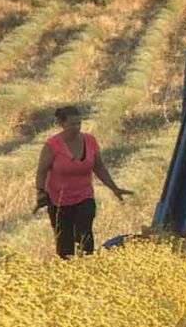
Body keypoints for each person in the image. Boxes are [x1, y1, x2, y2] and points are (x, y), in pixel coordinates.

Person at [34, 106, 133, 258]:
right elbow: (42, 170)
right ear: (62, 124)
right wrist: (40, 192)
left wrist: (114, 188)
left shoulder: (90, 141)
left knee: (84, 235)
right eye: (72, 124)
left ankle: (86, 268)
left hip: (84, 197)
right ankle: (68, 273)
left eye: (79, 123)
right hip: (59, 203)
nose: (77, 128)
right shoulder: (52, 146)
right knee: (64, 243)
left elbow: (98, 166)